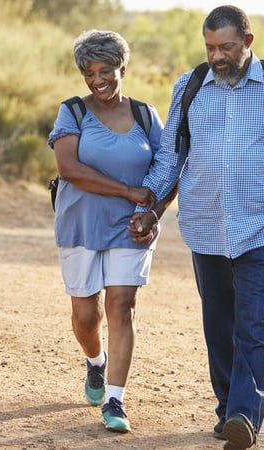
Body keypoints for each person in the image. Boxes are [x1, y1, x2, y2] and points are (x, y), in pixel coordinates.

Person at [129, 5, 264, 449]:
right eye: (210, 47)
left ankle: (245, 414)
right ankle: (227, 410)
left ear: (248, 42)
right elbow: (171, 156)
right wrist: (150, 202)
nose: (216, 56)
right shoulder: (190, 85)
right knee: (219, 325)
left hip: (262, 224)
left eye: (226, 47)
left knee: (253, 323)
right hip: (204, 225)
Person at [47, 29, 175, 433]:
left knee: (121, 306)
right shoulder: (72, 111)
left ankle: (116, 400)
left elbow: (168, 168)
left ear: (124, 67)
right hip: (80, 224)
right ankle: (95, 362)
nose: (97, 80)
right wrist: (127, 190)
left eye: (106, 71)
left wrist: (152, 212)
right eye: (88, 72)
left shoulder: (144, 115)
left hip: (131, 227)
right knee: (86, 314)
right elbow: (69, 169)